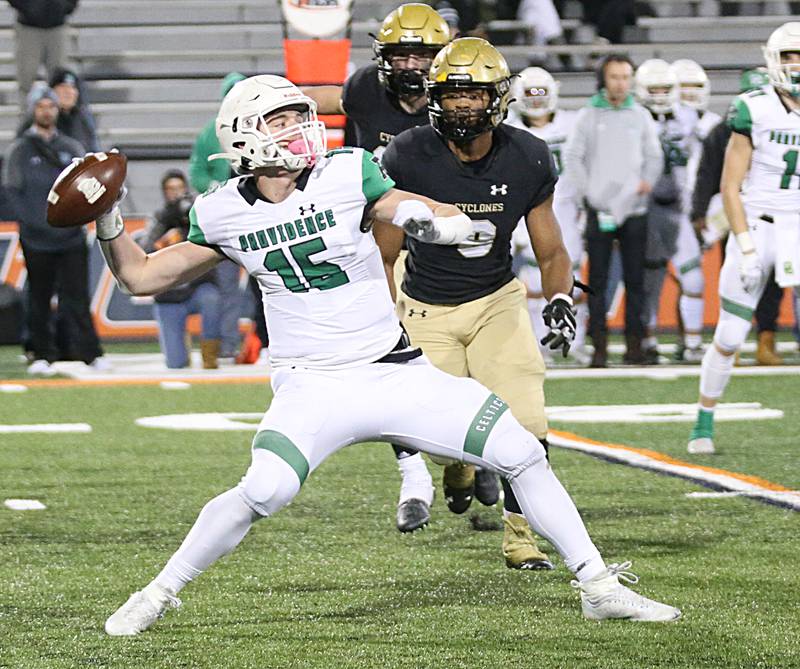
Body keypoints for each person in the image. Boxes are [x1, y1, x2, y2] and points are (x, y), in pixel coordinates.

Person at [99, 74, 680, 635]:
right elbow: (140, 277)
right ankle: (156, 593)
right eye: (282, 120)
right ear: (245, 135)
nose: (302, 128)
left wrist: (438, 222)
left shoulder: (347, 172)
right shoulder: (221, 210)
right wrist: (106, 219)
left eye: (302, 115)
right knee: (265, 490)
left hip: (394, 370)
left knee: (521, 451)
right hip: (311, 386)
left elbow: (408, 206)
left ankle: (599, 587)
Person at [382, 37, 573, 571]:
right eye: (453, 93)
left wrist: (559, 297)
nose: (463, 104)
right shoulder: (408, 154)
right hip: (426, 306)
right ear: (435, 95)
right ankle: (460, 467)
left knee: (529, 419)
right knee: (441, 439)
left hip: (496, 300)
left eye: (474, 93)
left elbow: (551, 247)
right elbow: (383, 252)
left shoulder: (529, 154)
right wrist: (383, 316)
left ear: (498, 96)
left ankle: (520, 539)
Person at [304, 3, 452, 532]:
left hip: (445, 230)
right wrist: (275, 104)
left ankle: (465, 461)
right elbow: (325, 99)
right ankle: (414, 471)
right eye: (402, 54)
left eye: (422, 54)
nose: (412, 65)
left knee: (457, 351)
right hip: (373, 239)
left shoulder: (459, 94)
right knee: (387, 353)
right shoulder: (367, 88)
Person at [687, 22, 800, 455]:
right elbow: (730, 187)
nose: (794, 65)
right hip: (760, 223)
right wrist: (747, 246)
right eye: (787, 56)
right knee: (732, 335)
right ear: (772, 60)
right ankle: (703, 419)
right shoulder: (753, 108)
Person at [562, 54, 662, 367]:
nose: (621, 82)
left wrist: (646, 182)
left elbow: (654, 157)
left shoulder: (640, 115)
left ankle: (635, 344)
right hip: (599, 209)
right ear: (603, 80)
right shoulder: (589, 115)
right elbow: (573, 158)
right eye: (614, 76)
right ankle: (599, 346)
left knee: (635, 280)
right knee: (599, 282)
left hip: (634, 210)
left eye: (625, 76)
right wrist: (589, 194)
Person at [1, 85, 105, 376]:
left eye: (51, 106)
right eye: (41, 106)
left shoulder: (71, 148)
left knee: (78, 297)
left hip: (70, 236)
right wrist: (35, 223)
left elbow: (86, 187)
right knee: (39, 296)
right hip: (36, 238)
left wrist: (75, 221)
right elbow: (12, 191)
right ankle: (42, 353)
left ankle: (91, 353)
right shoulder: (20, 150)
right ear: (33, 111)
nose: (47, 111)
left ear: (58, 111)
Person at [690, 67, 787, 367]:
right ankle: (730, 345)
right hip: (736, 214)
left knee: (773, 282)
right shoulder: (725, 130)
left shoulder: (786, 123)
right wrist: (700, 210)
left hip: (776, 214)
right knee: (735, 279)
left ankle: (765, 339)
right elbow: (707, 173)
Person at [507, 66, 589, 365]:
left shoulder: (573, 123)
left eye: (542, 94)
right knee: (532, 279)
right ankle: (539, 343)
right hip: (526, 206)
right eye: (531, 94)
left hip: (566, 204)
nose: (537, 101)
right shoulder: (508, 126)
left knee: (573, 276)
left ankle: (575, 339)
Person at [634, 59, 705, 364]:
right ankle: (647, 340)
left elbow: (701, 162)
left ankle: (691, 342)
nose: (661, 94)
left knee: (693, 280)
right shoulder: (631, 118)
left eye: (666, 88)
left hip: (678, 209)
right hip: (646, 212)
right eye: (655, 89)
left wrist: (699, 205)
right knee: (649, 281)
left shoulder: (690, 118)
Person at [189, 72, 249, 364]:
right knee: (227, 288)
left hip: (263, 212)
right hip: (230, 219)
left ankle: (265, 342)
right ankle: (228, 344)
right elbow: (198, 172)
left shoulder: (261, 126)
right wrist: (219, 189)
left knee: (273, 283)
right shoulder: (210, 133)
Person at [140, 170, 222, 370]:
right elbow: (145, 249)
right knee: (176, 364)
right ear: (164, 192)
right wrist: (166, 222)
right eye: (170, 189)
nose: (175, 194)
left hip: (196, 287)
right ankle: (181, 349)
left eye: (179, 188)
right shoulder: (159, 217)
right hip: (168, 294)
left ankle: (210, 356)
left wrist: (189, 220)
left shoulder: (199, 210)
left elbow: (215, 237)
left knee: (212, 299)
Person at [7, 0, 79, 114]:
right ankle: (26, 123)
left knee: (59, 81)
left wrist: (63, 7)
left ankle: (60, 124)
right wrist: (28, 8)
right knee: (26, 79)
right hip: (28, 27)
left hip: (57, 26)